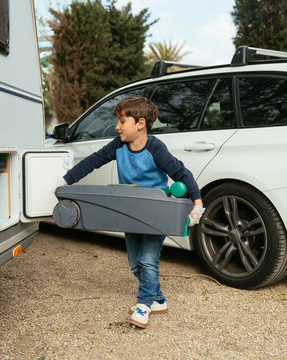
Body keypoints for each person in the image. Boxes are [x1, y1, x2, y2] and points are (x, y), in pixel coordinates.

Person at [59, 96, 204, 328]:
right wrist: (65, 181)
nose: (117, 127)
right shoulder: (118, 145)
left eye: (122, 121)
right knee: (135, 263)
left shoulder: (156, 148)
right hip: (130, 210)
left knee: (147, 260)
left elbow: (180, 172)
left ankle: (143, 305)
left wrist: (197, 203)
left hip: (155, 211)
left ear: (141, 123)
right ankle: (158, 300)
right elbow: (93, 161)